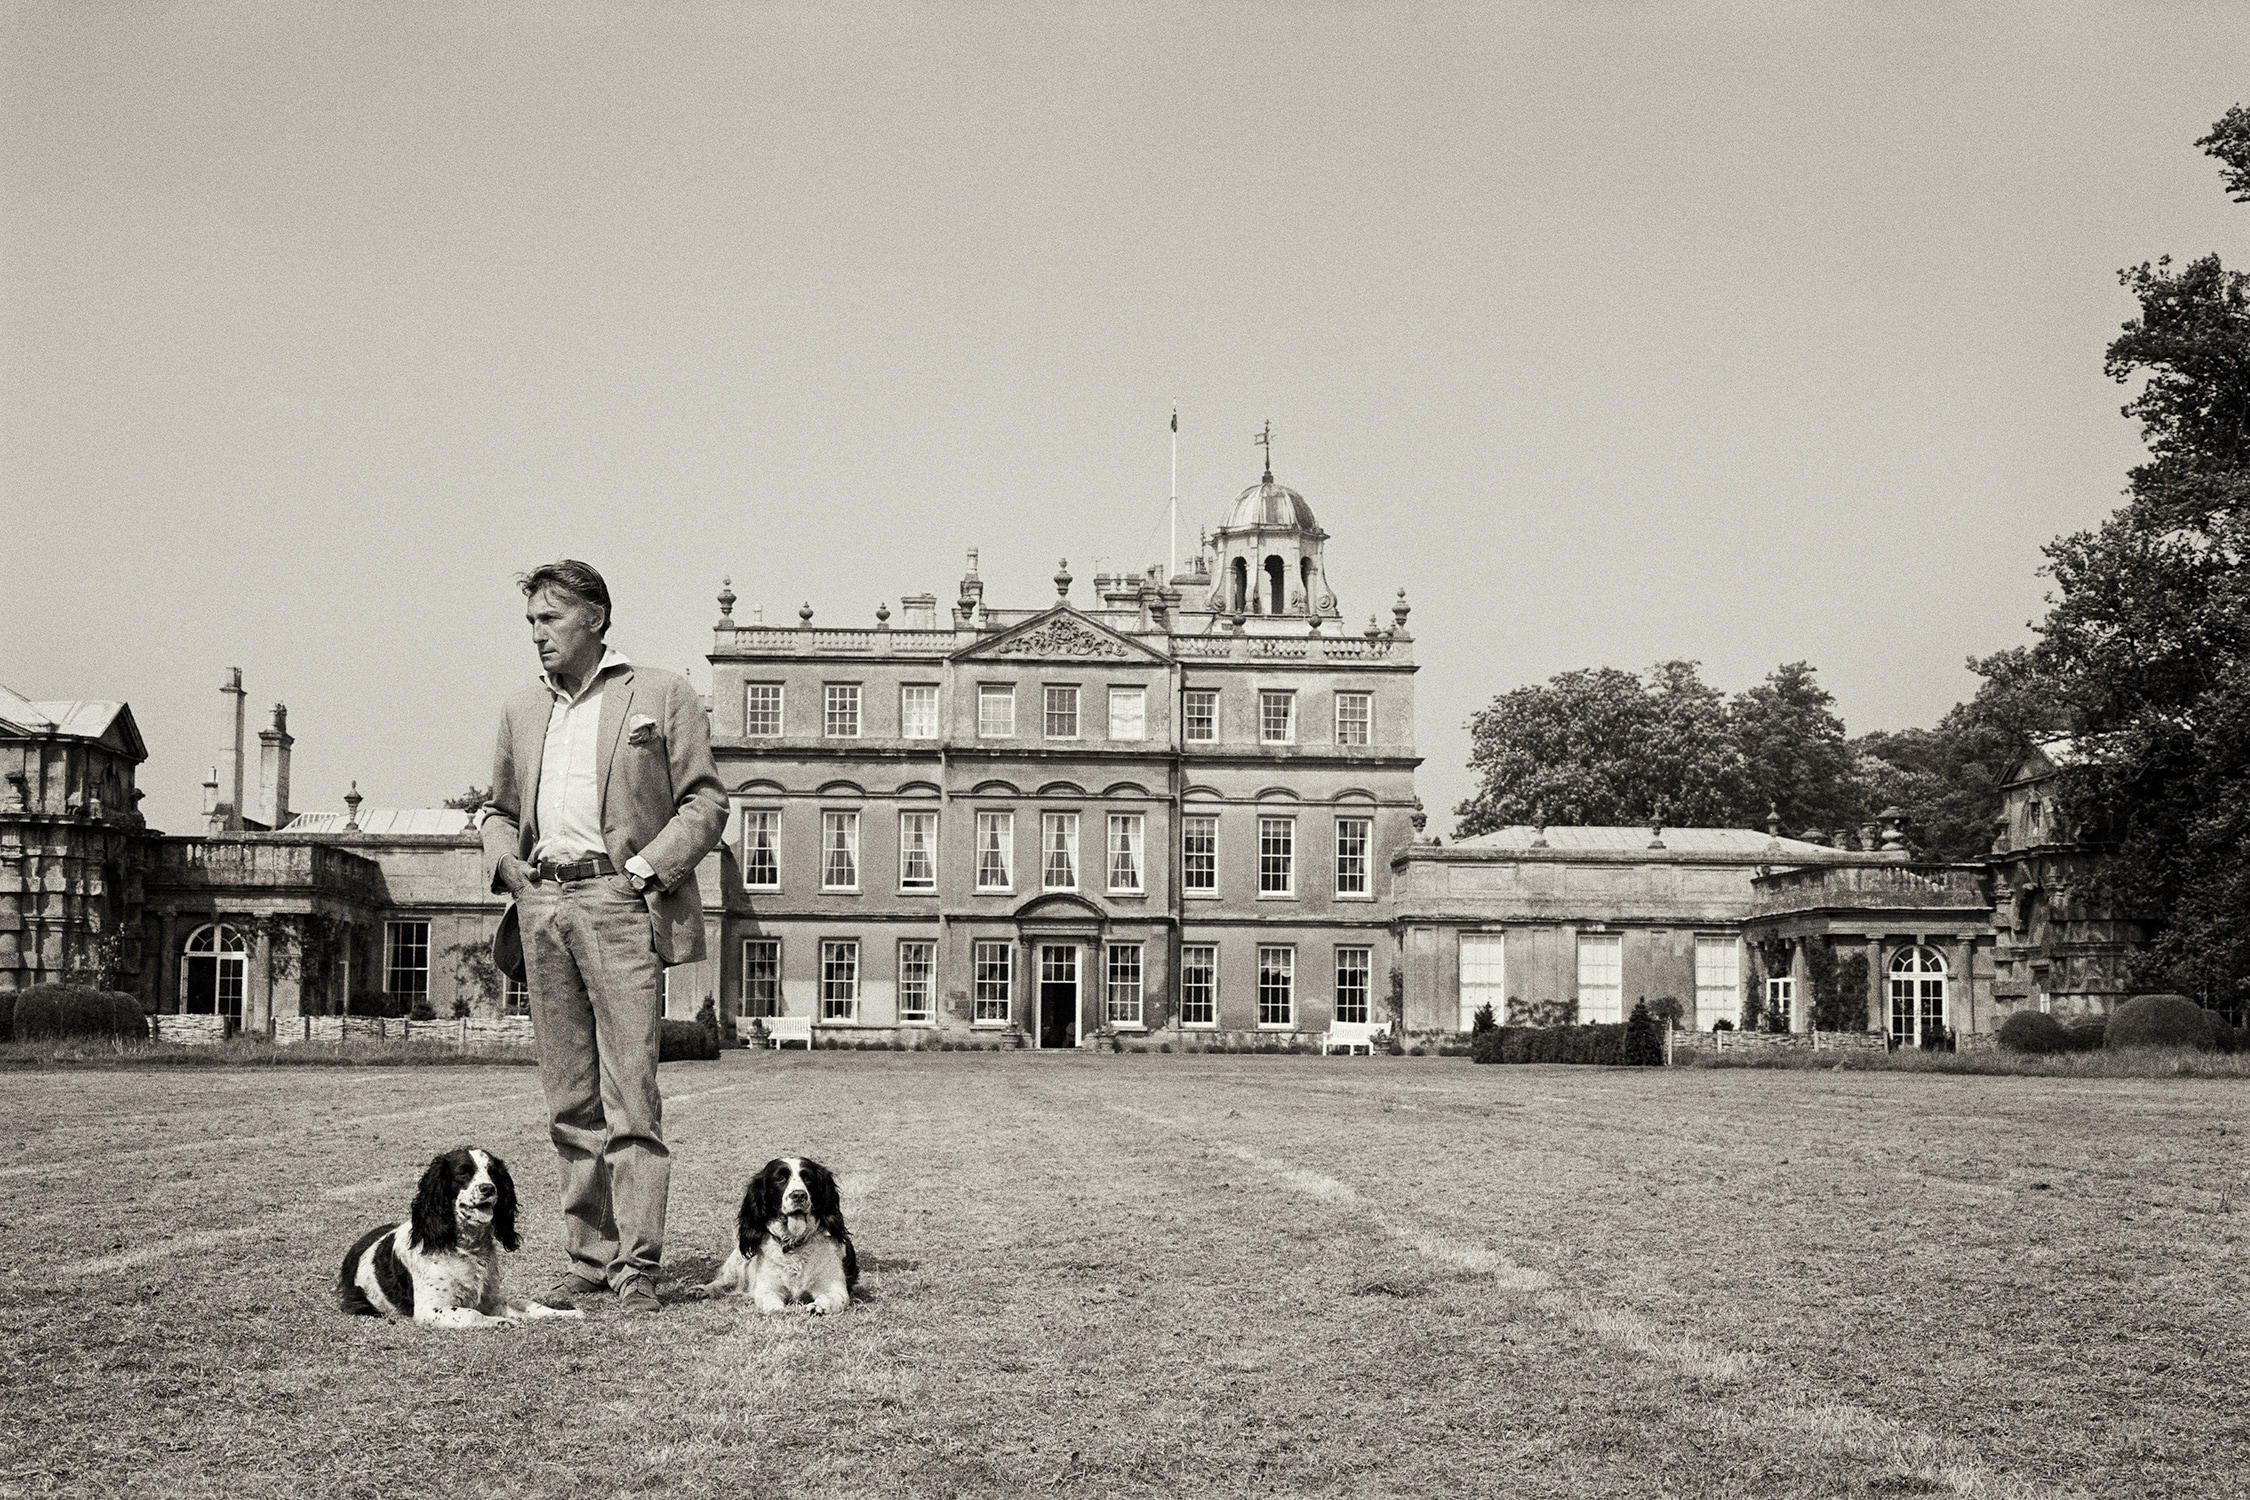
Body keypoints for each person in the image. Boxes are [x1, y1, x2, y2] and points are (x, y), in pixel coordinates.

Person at [480, 560, 727, 1315]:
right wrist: (505, 864)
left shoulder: (658, 694)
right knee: (569, 1101)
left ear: (594, 617)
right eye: (529, 624)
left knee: (632, 1099)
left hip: (619, 901)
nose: (536, 637)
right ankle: (588, 1263)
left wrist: (644, 872)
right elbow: (493, 809)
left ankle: (637, 1269)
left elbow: (707, 800)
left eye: (549, 620)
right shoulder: (522, 709)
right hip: (540, 903)